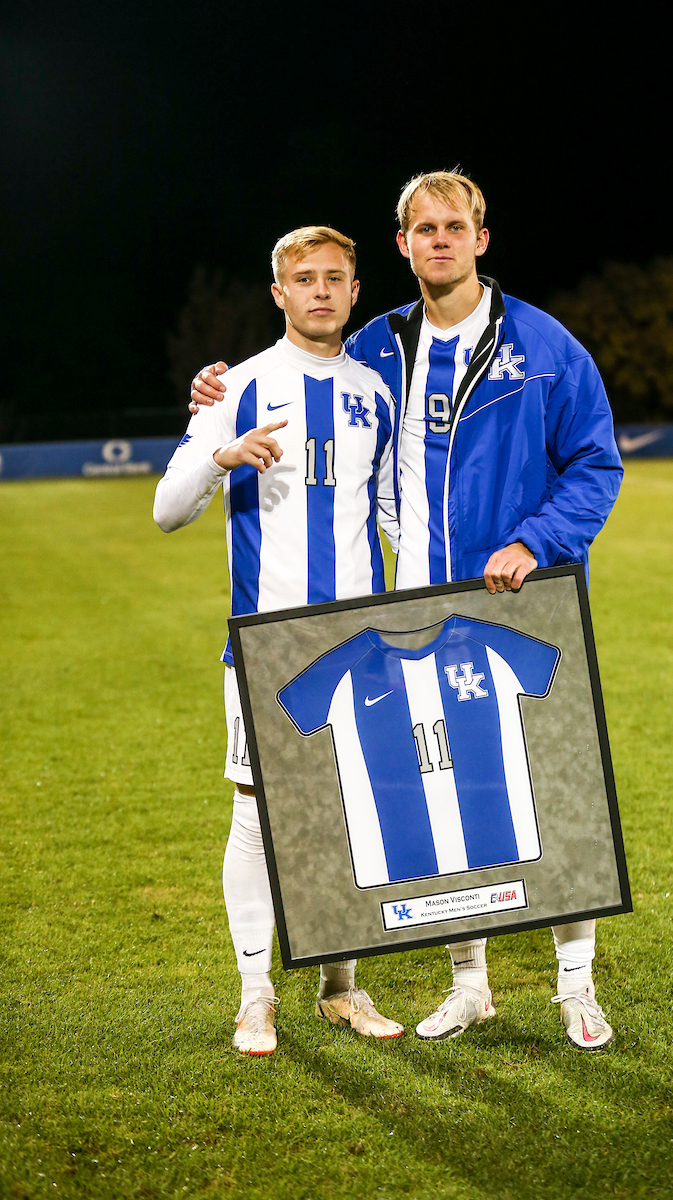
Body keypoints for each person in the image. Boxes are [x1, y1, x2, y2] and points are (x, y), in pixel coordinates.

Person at [190, 172, 624, 1051]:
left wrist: (535, 540)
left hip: (523, 599)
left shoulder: (544, 346)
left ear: (481, 239)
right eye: (422, 228)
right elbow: (313, 371)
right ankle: (471, 985)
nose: (439, 241)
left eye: (453, 226)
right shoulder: (383, 348)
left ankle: (577, 988)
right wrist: (218, 385)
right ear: (402, 244)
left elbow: (595, 464)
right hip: (422, 604)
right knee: (452, 797)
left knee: (556, 794)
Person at [155, 225, 404, 1056]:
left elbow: (396, 514)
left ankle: (342, 987)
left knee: (349, 817)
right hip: (264, 645)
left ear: (356, 289)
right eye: (305, 278)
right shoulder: (239, 385)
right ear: (279, 293)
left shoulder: (380, 389)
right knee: (257, 818)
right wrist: (222, 454)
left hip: (359, 645)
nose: (322, 291)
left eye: (336, 277)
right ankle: (255, 995)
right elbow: (168, 510)